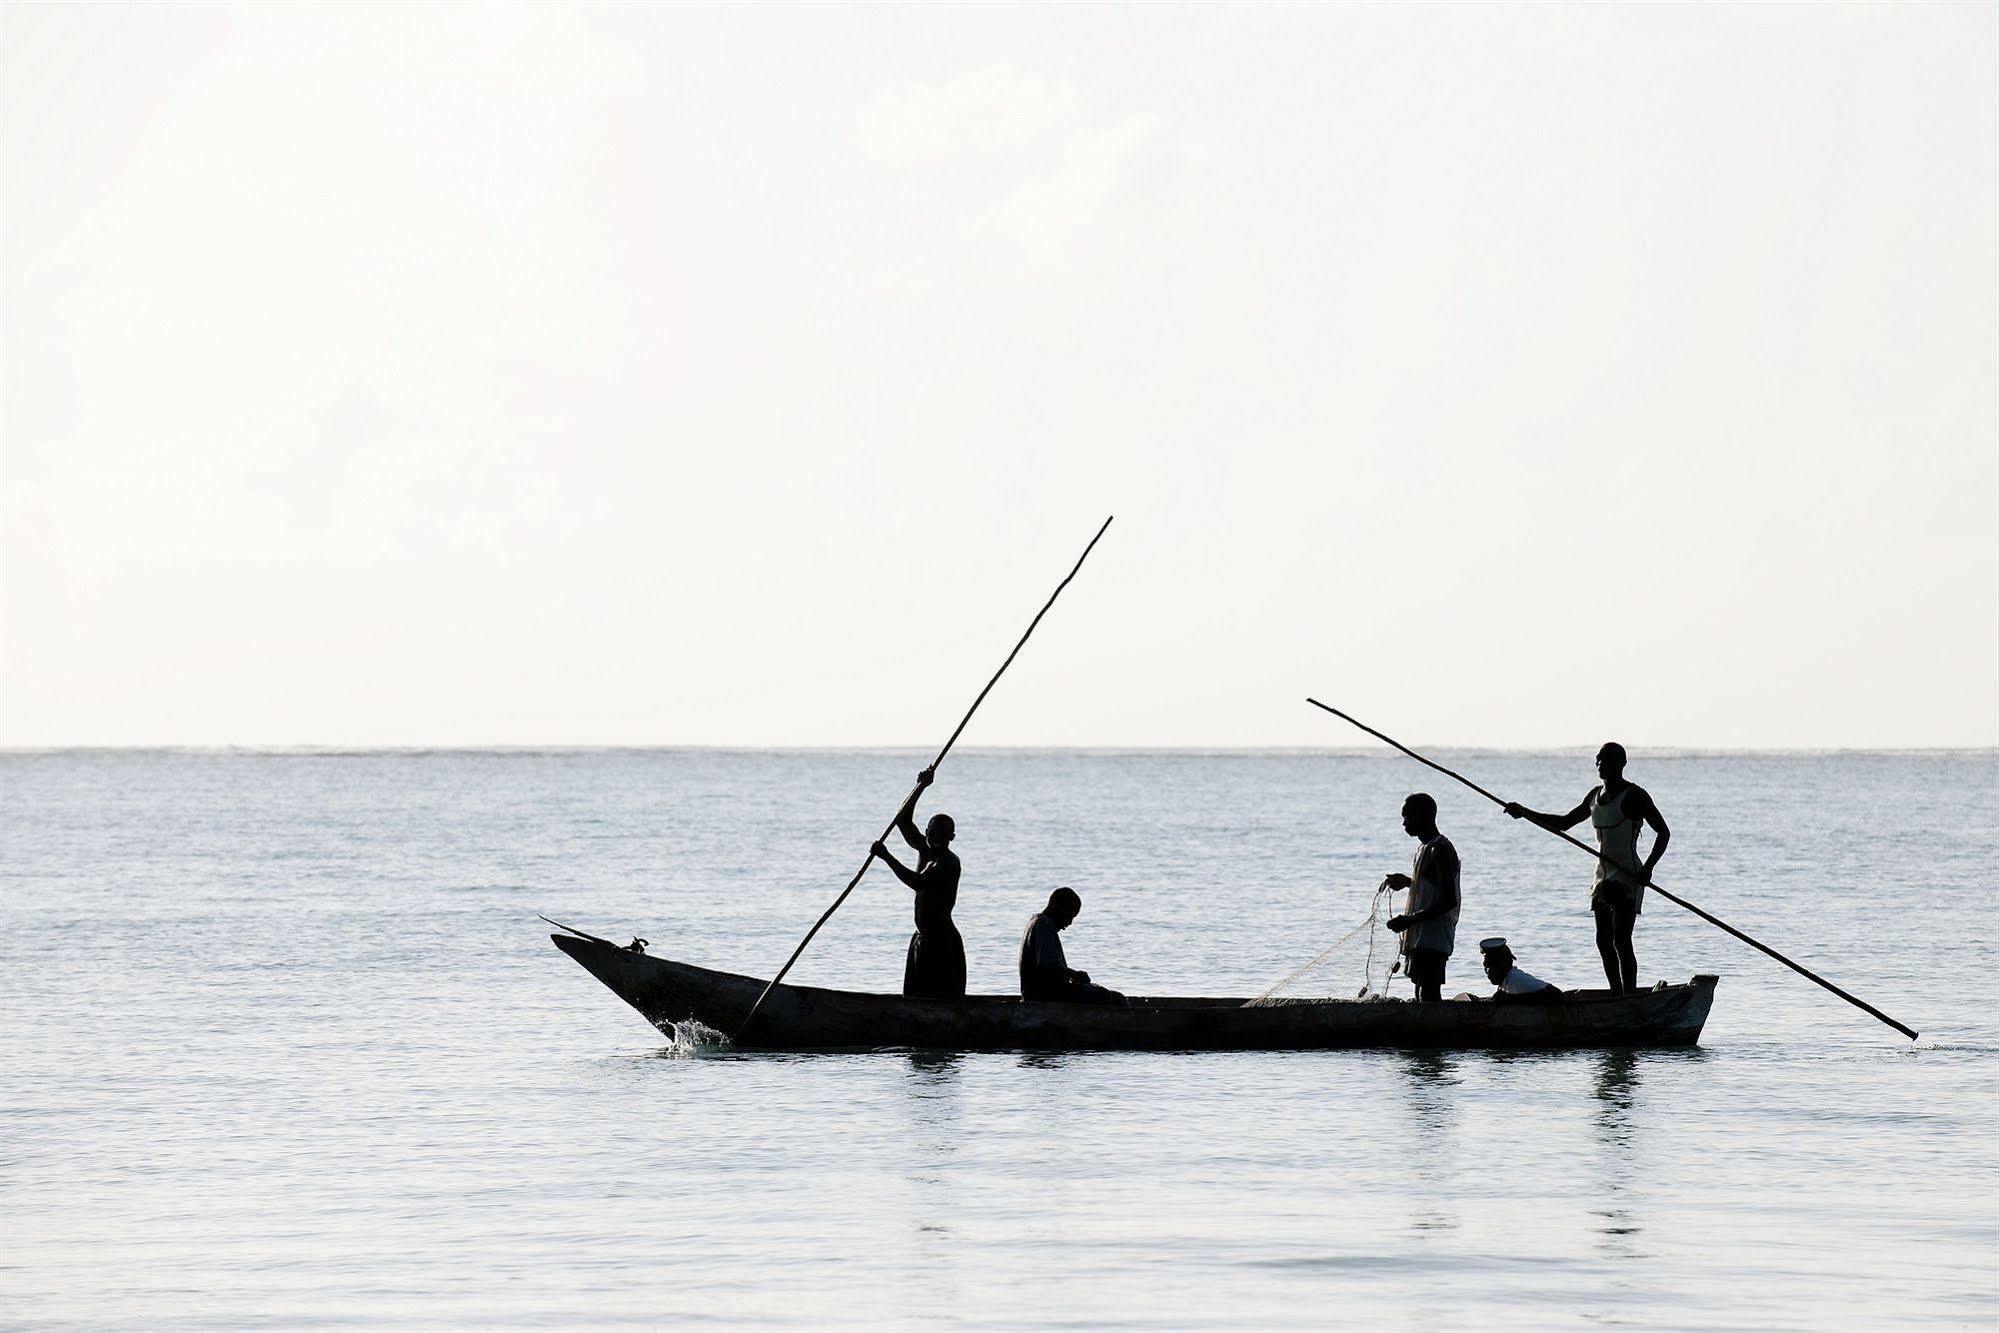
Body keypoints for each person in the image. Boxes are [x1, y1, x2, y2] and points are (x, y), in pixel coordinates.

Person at [1504, 742, 1670, 995]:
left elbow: (1663, 833)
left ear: (1622, 764)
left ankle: (1630, 995)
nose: (1601, 764)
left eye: (1608, 760)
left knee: (1621, 940)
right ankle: (1616, 994)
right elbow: (1563, 823)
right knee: (1603, 941)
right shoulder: (1594, 796)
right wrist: (1524, 812)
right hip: (1602, 878)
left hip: (1628, 875)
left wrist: (1647, 869)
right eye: (1599, 760)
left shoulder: (1635, 795)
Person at [870, 766, 966, 1000]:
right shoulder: (924, 848)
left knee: (937, 999)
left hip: (942, 942)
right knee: (915, 998)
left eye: (943, 835)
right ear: (927, 832)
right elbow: (902, 819)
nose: (936, 839)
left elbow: (918, 882)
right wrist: (921, 786)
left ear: (952, 837)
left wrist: (887, 857)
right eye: (932, 833)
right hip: (922, 938)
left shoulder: (948, 862)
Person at [1381, 793, 1460, 1002]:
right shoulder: (1424, 848)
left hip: (1433, 937)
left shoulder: (1440, 849)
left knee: (1428, 992)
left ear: (1424, 816)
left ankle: (1434, 1032)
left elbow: (1448, 900)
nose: (1404, 823)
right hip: (1420, 936)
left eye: (1407, 817)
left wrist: (1409, 920)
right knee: (1419, 991)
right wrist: (1408, 882)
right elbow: (1432, 886)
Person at [1018, 887, 1126, 1005]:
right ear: (1056, 907)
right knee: (1113, 998)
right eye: (1069, 916)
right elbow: (1048, 968)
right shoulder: (1044, 926)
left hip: (1040, 993)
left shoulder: (1036, 922)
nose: (1069, 923)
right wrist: (1074, 974)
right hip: (1045, 995)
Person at [1478, 937, 1563, 1004]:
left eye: (1491, 966)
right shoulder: (1505, 982)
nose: (1488, 972)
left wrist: (1512, 999)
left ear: (1505, 964)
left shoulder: (1516, 980)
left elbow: (1556, 994)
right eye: (1485, 967)